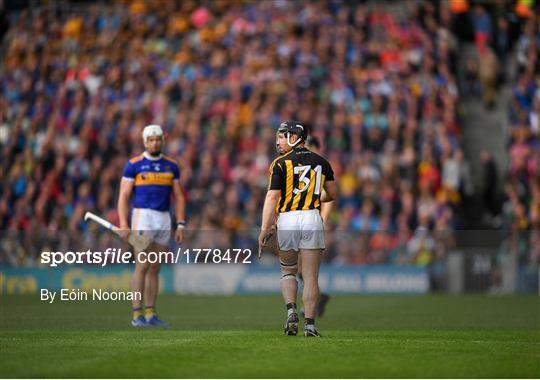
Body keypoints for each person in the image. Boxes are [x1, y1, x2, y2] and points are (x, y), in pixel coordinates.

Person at [259, 121, 336, 337]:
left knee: (288, 271)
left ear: (294, 137)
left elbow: (272, 196)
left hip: (288, 220)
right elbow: (331, 194)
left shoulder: (280, 163)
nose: (280, 140)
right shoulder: (322, 162)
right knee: (311, 278)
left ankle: (291, 312)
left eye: (285, 135)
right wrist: (312, 197)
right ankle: (310, 326)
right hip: (312, 217)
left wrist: (265, 228)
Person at [118, 125, 186, 327]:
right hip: (143, 217)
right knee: (143, 265)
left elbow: (179, 196)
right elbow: (123, 195)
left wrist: (180, 224)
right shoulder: (134, 165)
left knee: (155, 267)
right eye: (151, 140)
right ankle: (137, 314)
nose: (154, 143)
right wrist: (123, 222)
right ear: (144, 142)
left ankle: (150, 313)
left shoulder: (171, 166)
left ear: (162, 141)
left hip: (164, 218)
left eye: (157, 139)